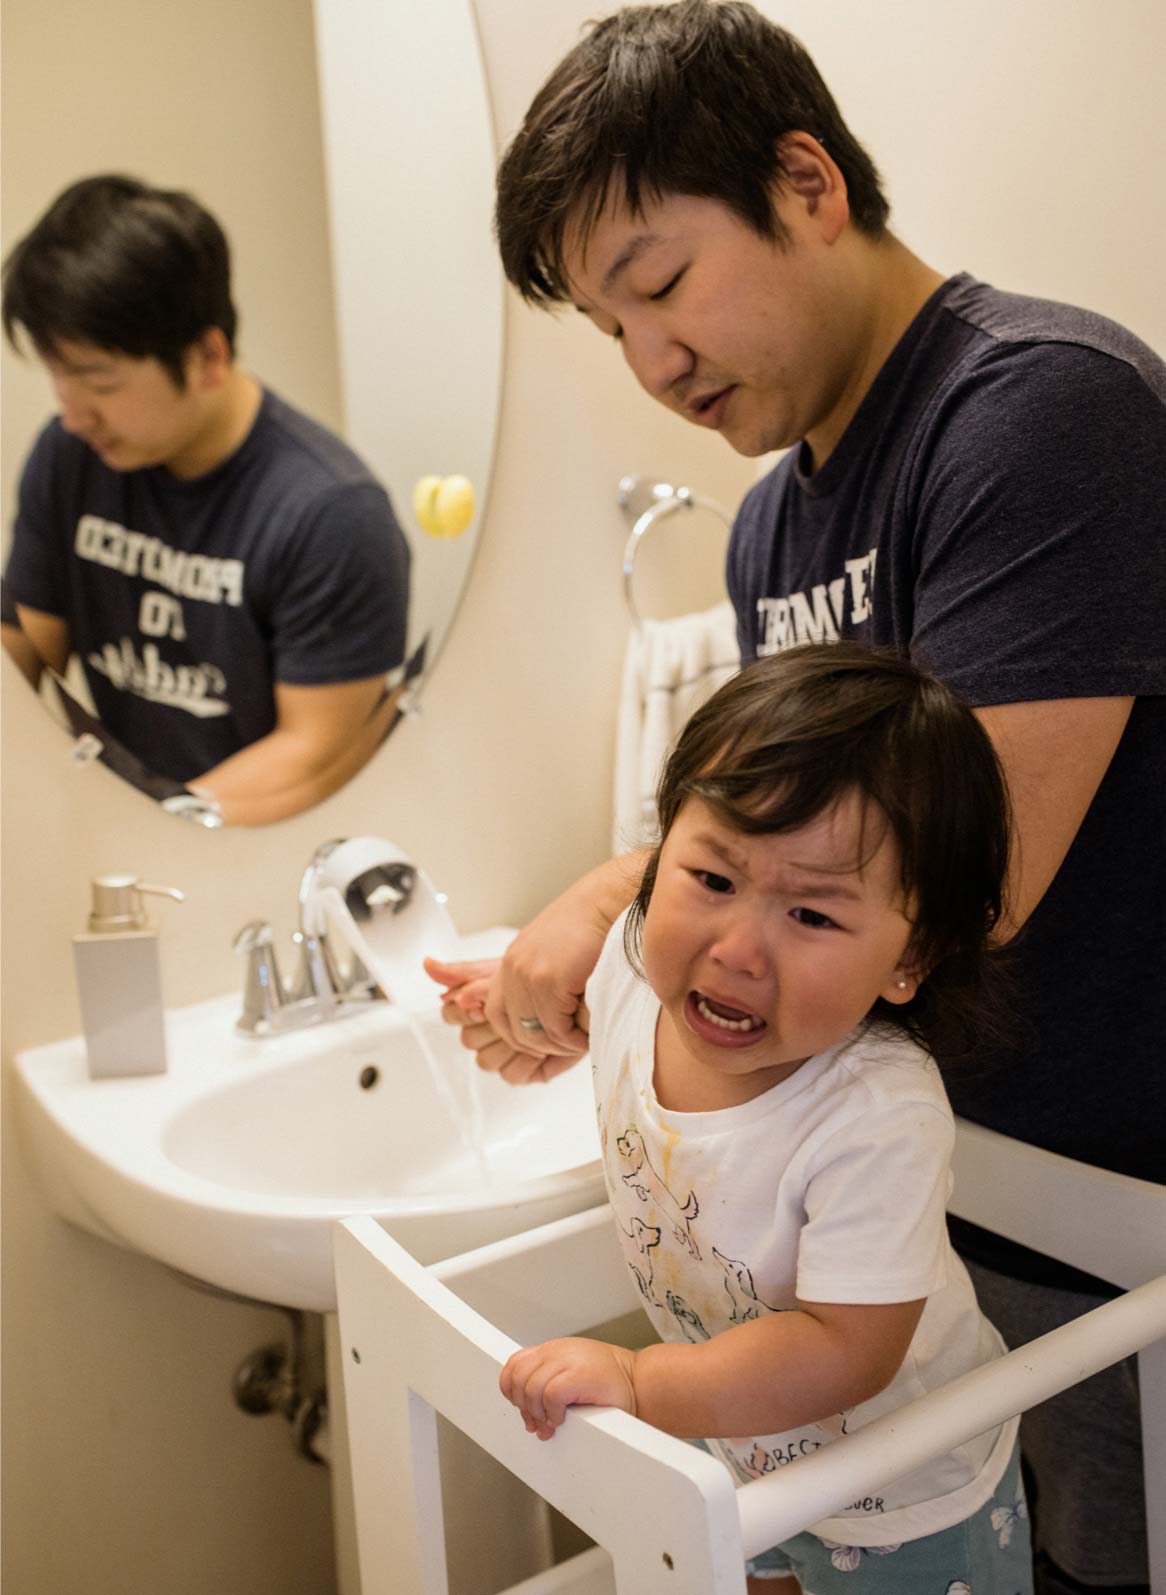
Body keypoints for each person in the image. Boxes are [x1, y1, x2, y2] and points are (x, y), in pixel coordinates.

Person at [427, 5, 1166, 1593]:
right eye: (606, 328)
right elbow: (789, 879)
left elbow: (972, 881)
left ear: (808, 182)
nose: (650, 363)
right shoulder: (770, 530)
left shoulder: (1038, 411)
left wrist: (604, 904)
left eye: (661, 285)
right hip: (921, 1201)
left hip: (1113, 1204)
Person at [486, 642, 1028, 1595]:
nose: (738, 949)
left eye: (813, 917)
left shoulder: (875, 1112)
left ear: (910, 959)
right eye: (714, 879)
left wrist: (643, 1381)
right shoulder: (627, 968)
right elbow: (580, 1017)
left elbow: (846, 1345)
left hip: (898, 1491)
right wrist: (517, 1013)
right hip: (739, 1441)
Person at [1, 174, 412, 826]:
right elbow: (23, 661)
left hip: (268, 853)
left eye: (98, 381)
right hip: (136, 841)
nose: (74, 413)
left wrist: (145, 837)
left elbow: (313, 755)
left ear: (207, 357)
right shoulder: (70, 456)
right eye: (58, 376)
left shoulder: (333, 514)